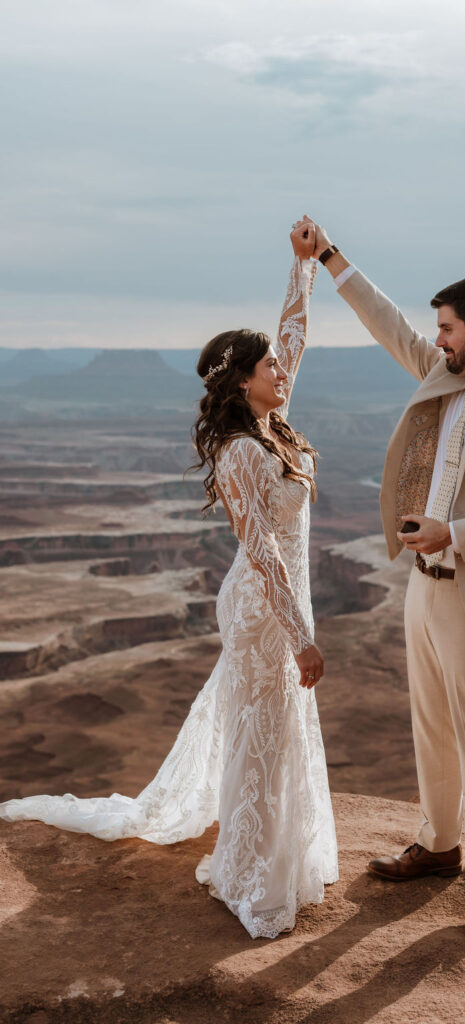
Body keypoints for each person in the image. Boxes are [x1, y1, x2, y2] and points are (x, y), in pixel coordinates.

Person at [0, 222, 338, 940]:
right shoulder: (243, 450)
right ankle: (248, 872)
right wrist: (302, 636)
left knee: (277, 728)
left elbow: (294, 334)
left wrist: (302, 267)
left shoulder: (274, 423)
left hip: (282, 603)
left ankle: (277, 855)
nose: (284, 372)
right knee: (263, 733)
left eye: (281, 366)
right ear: (243, 380)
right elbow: (263, 553)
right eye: (271, 367)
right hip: (261, 606)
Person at [303, 215, 465, 931]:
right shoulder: (447, 380)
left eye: (448, 328)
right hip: (424, 587)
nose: (439, 339)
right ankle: (439, 844)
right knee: (430, 727)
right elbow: (390, 326)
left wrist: (457, 532)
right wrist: (331, 258)